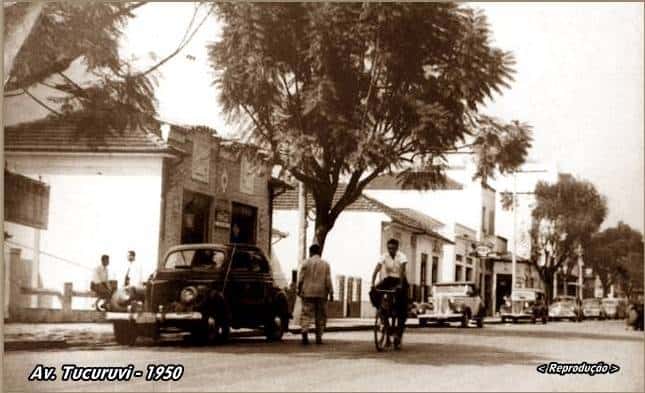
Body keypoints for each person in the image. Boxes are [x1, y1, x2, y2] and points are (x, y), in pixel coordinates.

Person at [370, 238, 409, 349]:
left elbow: (402, 271)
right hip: (389, 280)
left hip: (400, 280)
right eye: (389, 248)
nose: (391, 250)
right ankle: (381, 310)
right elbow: (377, 268)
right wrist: (373, 281)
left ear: (397, 248)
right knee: (375, 291)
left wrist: (400, 284)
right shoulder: (384, 256)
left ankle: (398, 336)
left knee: (401, 307)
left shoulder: (402, 256)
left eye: (393, 248)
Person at [297, 244, 333, 345]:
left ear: (310, 252)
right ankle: (319, 337)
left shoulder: (305, 263)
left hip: (307, 292)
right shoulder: (325, 264)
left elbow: (301, 279)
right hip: (321, 293)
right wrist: (331, 292)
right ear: (319, 252)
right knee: (320, 316)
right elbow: (328, 280)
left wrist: (299, 290)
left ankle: (304, 331)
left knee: (306, 314)